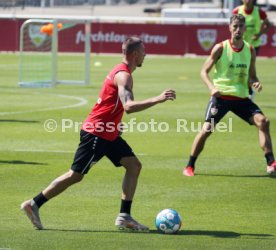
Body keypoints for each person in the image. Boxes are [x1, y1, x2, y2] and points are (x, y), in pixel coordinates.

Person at [21, 37, 176, 230]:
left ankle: (124, 216)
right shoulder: (124, 75)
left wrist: (115, 124)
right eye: (143, 51)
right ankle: (34, 204)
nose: (145, 54)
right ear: (135, 54)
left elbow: (112, 104)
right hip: (97, 134)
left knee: (134, 165)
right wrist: (158, 98)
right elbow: (128, 106)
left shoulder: (121, 71)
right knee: (75, 175)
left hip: (108, 132)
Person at [182, 14, 276, 177]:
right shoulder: (220, 48)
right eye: (235, 26)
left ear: (245, 29)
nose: (238, 30)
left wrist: (255, 83)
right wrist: (212, 88)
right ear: (229, 28)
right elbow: (204, 72)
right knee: (206, 130)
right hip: (221, 98)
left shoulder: (250, 50)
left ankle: (271, 163)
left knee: (264, 122)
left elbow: (252, 76)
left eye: (241, 26)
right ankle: (190, 165)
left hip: (241, 99)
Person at [233, 0, 271, 98]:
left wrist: (259, 34)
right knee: (240, 67)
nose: (248, 0)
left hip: (253, 45)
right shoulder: (237, 10)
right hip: (240, 44)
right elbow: (232, 26)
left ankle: (248, 91)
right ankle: (245, 90)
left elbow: (268, 24)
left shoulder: (259, 12)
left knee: (247, 66)